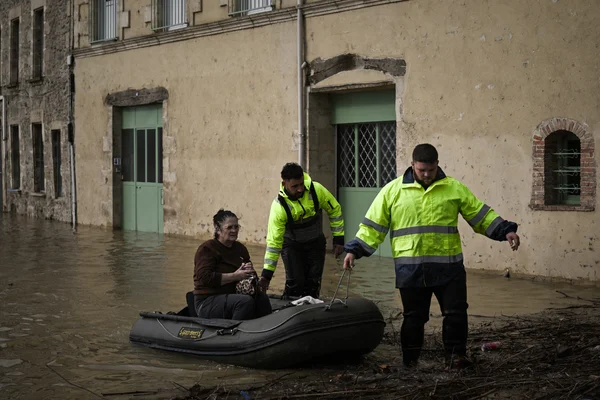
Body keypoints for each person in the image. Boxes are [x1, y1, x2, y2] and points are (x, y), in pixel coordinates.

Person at [343, 144, 521, 369]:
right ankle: (410, 361)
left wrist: (505, 230)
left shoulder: (453, 188)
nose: (426, 175)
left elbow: (480, 215)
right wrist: (354, 250)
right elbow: (373, 227)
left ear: (437, 164)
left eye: (430, 170)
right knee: (414, 318)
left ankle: (456, 357)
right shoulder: (392, 191)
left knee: (456, 313)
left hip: (449, 268)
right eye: (421, 170)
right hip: (411, 270)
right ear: (412, 166)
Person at [259, 163, 345, 298]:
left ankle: (312, 309)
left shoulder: (316, 190)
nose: (300, 189)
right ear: (284, 183)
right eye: (295, 186)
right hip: (292, 245)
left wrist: (338, 238)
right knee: (296, 283)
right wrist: (267, 274)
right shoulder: (279, 206)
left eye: (301, 184)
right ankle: (289, 306)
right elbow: (274, 243)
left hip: (315, 242)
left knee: (313, 283)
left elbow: (335, 209)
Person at [193, 209, 272, 320]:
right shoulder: (207, 249)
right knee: (244, 302)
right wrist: (235, 276)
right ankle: (234, 333)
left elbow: (248, 276)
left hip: (233, 295)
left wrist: (250, 274)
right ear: (218, 229)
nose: (234, 230)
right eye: (229, 227)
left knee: (262, 298)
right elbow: (204, 277)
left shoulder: (240, 248)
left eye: (236, 227)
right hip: (207, 301)